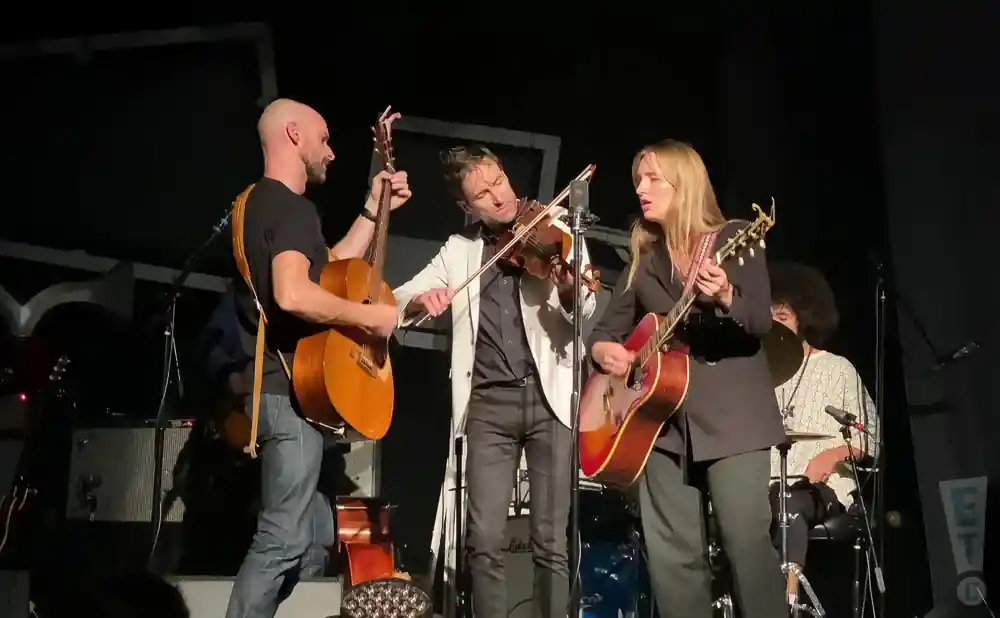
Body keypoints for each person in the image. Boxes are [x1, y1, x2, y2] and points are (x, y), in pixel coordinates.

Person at [393, 144, 597, 618]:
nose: (498, 197)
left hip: (549, 401)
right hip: (486, 407)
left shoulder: (557, 230)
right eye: (482, 194)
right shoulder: (460, 250)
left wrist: (568, 287)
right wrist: (424, 300)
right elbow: (399, 299)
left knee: (551, 540)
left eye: (498, 182)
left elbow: (585, 309)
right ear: (467, 207)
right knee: (482, 539)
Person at [226, 98, 411, 618]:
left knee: (312, 540)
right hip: (289, 396)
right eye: (324, 138)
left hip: (288, 394)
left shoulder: (263, 204)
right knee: (283, 539)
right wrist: (367, 318)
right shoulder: (286, 203)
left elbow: (328, 266)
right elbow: (293, 294)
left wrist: (374, 211)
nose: (331, 151)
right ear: (292, 134)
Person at [587, 138, 786, 618]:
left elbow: (758, 321)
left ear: (686, 184)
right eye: (638, 179)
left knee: (746, 547)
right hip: (659, 428)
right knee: (674, 564)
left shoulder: (734, 237)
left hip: (734, 422)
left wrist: (724, 296)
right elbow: (603, 334)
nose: (641, 188)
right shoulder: (645, 261)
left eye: (653, 178)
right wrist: (606, 354)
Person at [768, 261, 879, 602]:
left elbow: (869, 437)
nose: (775, 325)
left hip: (821, 487)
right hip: (768, 484)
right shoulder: (758, 376)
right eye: (769, 317)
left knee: (788, 502)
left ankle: (784, 603)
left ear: (803, 318)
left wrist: (832, 454)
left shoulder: (837, 368)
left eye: (783, 317)